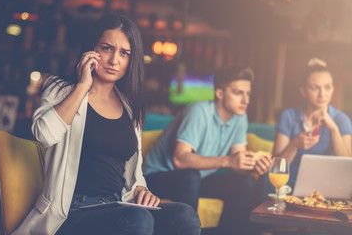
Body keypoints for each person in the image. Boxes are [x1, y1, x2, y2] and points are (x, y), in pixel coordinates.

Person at [12, 14, 200, 235]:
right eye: (107, 48)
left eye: (124, 53)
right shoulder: (61, 88)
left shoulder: (129, 105)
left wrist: (141, 188)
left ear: (132, 60)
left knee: (185, 215)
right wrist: (83, 86)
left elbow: (133, 168)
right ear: (92, 50)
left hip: (118, 204)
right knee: (136, 218)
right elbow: (44, 134)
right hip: (71, 210)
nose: (114, 60)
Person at [144, 65, 272, 235]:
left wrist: (253, 165)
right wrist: (228, 160)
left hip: (196, 179)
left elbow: (238, 161)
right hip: (157, 177)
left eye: (248, 93)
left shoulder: (240, 117)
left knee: (245, 183)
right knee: (191, 176)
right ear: (219, 93)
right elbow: (180, 159)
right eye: (238, 93)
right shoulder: (198, 111)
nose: (246, 100)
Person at [273, 58, 352, 187]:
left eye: (327, 87)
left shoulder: (341, 120)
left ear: (333, 88)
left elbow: (347, 167)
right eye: (315, 88)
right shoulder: (288, 115)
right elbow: (276, 168)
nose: (322, 94)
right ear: (303, 91)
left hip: (325, 182)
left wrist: (333, 129)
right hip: (289, 182)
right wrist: (294, 144)